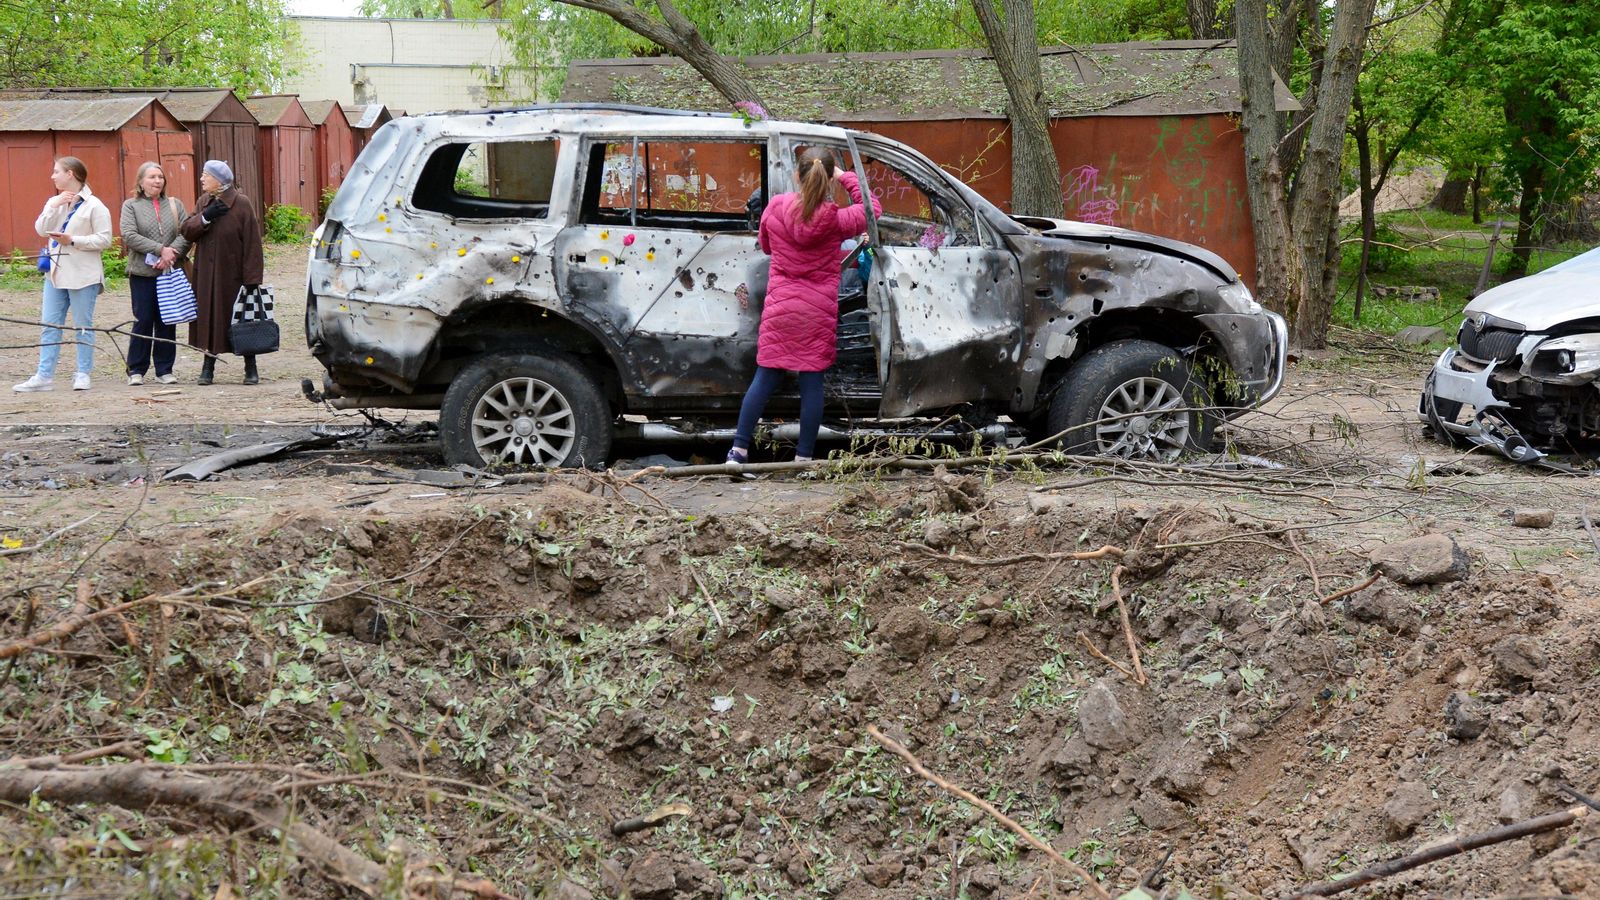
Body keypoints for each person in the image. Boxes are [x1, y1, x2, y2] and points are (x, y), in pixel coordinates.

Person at [727, 149, 880, 466]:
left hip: (781, 308)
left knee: (765, 378)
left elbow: (767, 245)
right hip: (816, 312)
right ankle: (804, 458)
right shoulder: (837, 219)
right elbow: (872, 208)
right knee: (812, 384)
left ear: (797, 175)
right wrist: (845, 177)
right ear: (827, 179)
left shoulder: (775, 207)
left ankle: (737, 452)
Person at [13, 157, 114, 392]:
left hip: (83, 274)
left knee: (82, 325)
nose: (52, 176)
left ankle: (83, 373)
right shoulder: (55, 201)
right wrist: (53, 206)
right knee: (49, 324)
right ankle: (44, 375)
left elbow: (104, 239)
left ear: (70, 174)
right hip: (55, 274)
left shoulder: (94, 206)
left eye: (56, 171)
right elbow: (40, 229)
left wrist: (73, 240)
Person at [180, 160, 263, 385]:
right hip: (206, 274)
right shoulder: (204, 201)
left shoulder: (241, 203)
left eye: (206, 175)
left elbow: (253, 244)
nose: (202, 179)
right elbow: (187, 231)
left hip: (233, 275)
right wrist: (205, 217)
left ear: (219, 180)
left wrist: (253, 278)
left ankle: (250, 366)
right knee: (209, 319)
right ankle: (208, 366)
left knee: (243, 319)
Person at [119, 162, 190, 386]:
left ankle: (164, 369)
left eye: (160, 177)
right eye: (151, 177)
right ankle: (136, 370)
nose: (157, 181)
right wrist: (160, 249)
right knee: (143, 320)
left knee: (167, 320)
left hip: (169, 272)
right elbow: (129, 235)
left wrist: (171, 254)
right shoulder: (131, 206)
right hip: (142, 273)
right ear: (141, 182)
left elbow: (187, 233)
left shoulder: (175, 205)